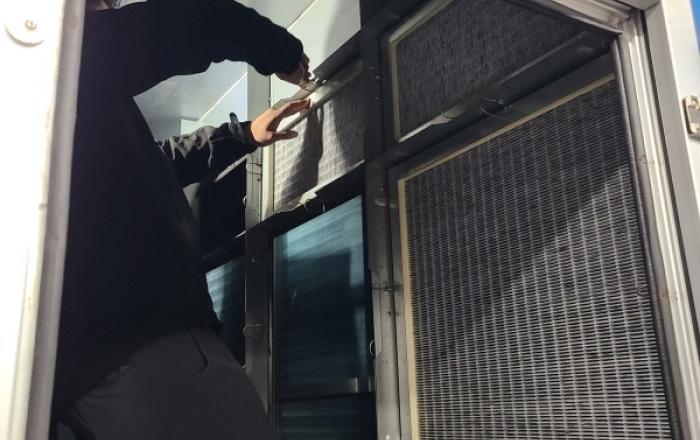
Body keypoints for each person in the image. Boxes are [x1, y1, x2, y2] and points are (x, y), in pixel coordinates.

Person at [52, 0, 310, 438]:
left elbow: (158, 161)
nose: (106, 11)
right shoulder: (48, 63)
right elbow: (191, 23)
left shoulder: (67, 114)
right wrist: (281, 51)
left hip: (102, 370)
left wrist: (243, 135)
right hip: (140, 349)